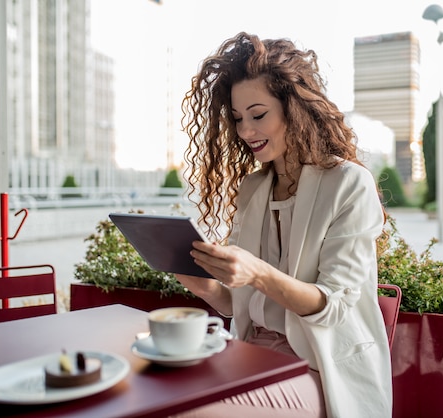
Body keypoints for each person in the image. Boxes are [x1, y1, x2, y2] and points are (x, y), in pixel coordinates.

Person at [173, 32, 392, 418]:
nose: (245, 131)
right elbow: (234, 302)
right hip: (251, 356)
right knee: (166, 391)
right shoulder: (254, 188)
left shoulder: (348, 184)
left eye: (258, 115)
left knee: (192, 411)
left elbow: (333, 308)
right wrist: (193, 275)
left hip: (319, 369)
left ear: (294, 109)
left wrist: (257, 272)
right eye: (238, 119)